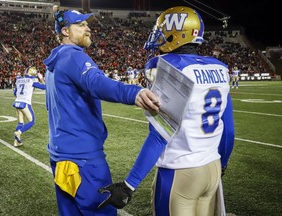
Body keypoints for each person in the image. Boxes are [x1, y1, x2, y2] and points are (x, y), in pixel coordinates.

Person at [98, 6, 235, 216]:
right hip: (212, 167)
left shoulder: (171, 67)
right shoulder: (220, 68)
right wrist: (222, 164)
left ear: (177, 34)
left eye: (162, 33)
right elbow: (229, 130)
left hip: (180, 172)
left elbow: (159, 136)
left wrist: (129, 184)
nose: (158, 39)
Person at [43, 8, 160, 216]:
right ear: (65, 31)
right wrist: (134, 93)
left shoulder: (54, 62)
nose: (87, 28)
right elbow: (96, 82)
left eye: (86, 24)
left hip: (61, 156)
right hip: (83, 161)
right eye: (80, 24)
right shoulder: (74, 57)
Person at [12, 66, 45, 147]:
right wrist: (41, 79)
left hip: (17, 102)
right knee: (31, 121)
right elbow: (45, 87)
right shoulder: (32, 80)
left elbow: (15, 93)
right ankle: (18, 133)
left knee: (20, 122)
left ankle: (17, 142)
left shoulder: (19, 80)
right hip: (25, 103)